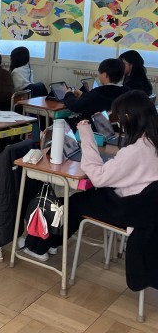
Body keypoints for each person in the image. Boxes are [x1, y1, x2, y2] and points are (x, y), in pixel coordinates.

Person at [23, 91, 158, 261]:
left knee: (73, 204)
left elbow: (98, 178)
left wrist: (86, 135)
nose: (119, 123)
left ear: (128, 117)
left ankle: (38, 246)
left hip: (130, 209)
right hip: (143, 207)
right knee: (79, 201)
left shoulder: (136, 151)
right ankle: (50, 242)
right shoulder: (151, 141)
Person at [63, 58, 129, 122]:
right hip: (118, 127)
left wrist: (68, 93)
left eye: (99, 73)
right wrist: (83, 94)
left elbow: (75, 106)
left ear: (105, 75)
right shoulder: (127, 91)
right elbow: (95, 101)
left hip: (94, 127)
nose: (98, 75)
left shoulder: (99, 92)